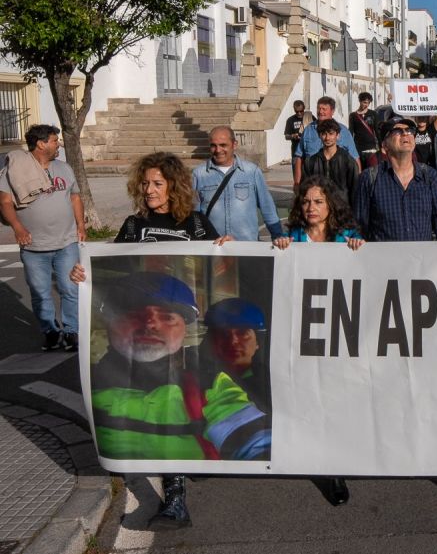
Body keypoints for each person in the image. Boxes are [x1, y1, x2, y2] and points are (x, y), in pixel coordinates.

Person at [69, 152, 246, 530]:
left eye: (157, 184)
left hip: (176, 355)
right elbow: (107, 265)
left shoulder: (196, 224)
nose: (149, 190)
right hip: (133, 353)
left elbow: (218, 264)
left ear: (173, 187)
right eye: (145, 184)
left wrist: (227, 246)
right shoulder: (134, 225)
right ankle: (175, 488)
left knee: (175, 409)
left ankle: (176, 495)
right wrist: (83, 273)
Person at [272, 175, 362, 506]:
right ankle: (312, 454)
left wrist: (359, 251)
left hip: (339, 331)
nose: (311, 207)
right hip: (302, 331)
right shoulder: (290, 238)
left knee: (336, 398)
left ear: (331, 206)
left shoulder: (347, 237)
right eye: (307, 201)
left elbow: (367, 274)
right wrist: (280, 249)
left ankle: (334, 467)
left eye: (318, 201)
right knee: (308, 394)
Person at [0, 124, 85, 351]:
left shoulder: (64, 168)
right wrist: (17, 227)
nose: (59, 144)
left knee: (70, 288)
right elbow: (5, 202)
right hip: (33, 246)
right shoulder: (16, 169)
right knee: (40, 293)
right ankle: (50, 332)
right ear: (41, 144)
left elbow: (75, 197)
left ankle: (71, 331)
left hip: (66, 242)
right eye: (54, 140)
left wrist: (81, 224)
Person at [353, 118, 437, 242]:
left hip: (421, 259)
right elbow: (359, 226)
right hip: (383, 260)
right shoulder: (369, 178)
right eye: (397, 131)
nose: (405, 134)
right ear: (384, 145)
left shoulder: (431, 177)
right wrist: (357, 240)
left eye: (409, 130)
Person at [193, 125, 284, 243]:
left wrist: (277, 236)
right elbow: (194, 215)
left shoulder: (252, 171)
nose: (218, 150)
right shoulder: (199, 175)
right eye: (213, 146)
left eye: (223, 145)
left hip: (246, 247)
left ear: (234, 145)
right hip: (213, 246)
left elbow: (267, 208)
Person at [293, 96, 360, 192]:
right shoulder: (308, 130)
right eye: (318, 108)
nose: (320, 112)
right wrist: (297, 182)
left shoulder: (343, 131)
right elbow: (299, 157)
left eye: (324, 109)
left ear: (332, 111)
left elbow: (355, 158)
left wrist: (359, 183)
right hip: (314, 183)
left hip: (338, 186)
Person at [302, 118, 360, 202]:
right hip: (319, 210)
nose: (327, 138)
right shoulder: (310, 162)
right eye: (324, 134)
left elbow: (355, 190)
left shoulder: (348, 161)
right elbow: (305, 189)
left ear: (338, 135)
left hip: (342, 209)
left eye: (331, 133)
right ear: (319, 135)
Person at [349, 92, 381, 168]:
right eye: (364, 102)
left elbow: (377, 131)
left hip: (371, 147)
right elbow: (351, 132)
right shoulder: (353, 115)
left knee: (372, 169)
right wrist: (351, 147)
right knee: (360, 169)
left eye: (368, 103)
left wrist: (381, 145)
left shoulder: (373, 114)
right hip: (358, 148)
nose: (366, 105)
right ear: (360, 101)